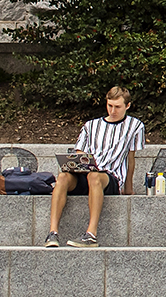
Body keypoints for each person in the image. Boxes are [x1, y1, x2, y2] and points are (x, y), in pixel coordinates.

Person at [46, 85, 144, 248]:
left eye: (117, 107)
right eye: (110, 105)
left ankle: (91, 234)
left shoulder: (135, 126)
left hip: (111, 177)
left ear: (127, 106)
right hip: (88, 173)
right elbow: (79, 154)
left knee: (94, 176)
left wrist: (128, 188)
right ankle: (53, 233)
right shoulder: (90, 126)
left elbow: (130, 158)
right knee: (63, 177)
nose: (113, 111)